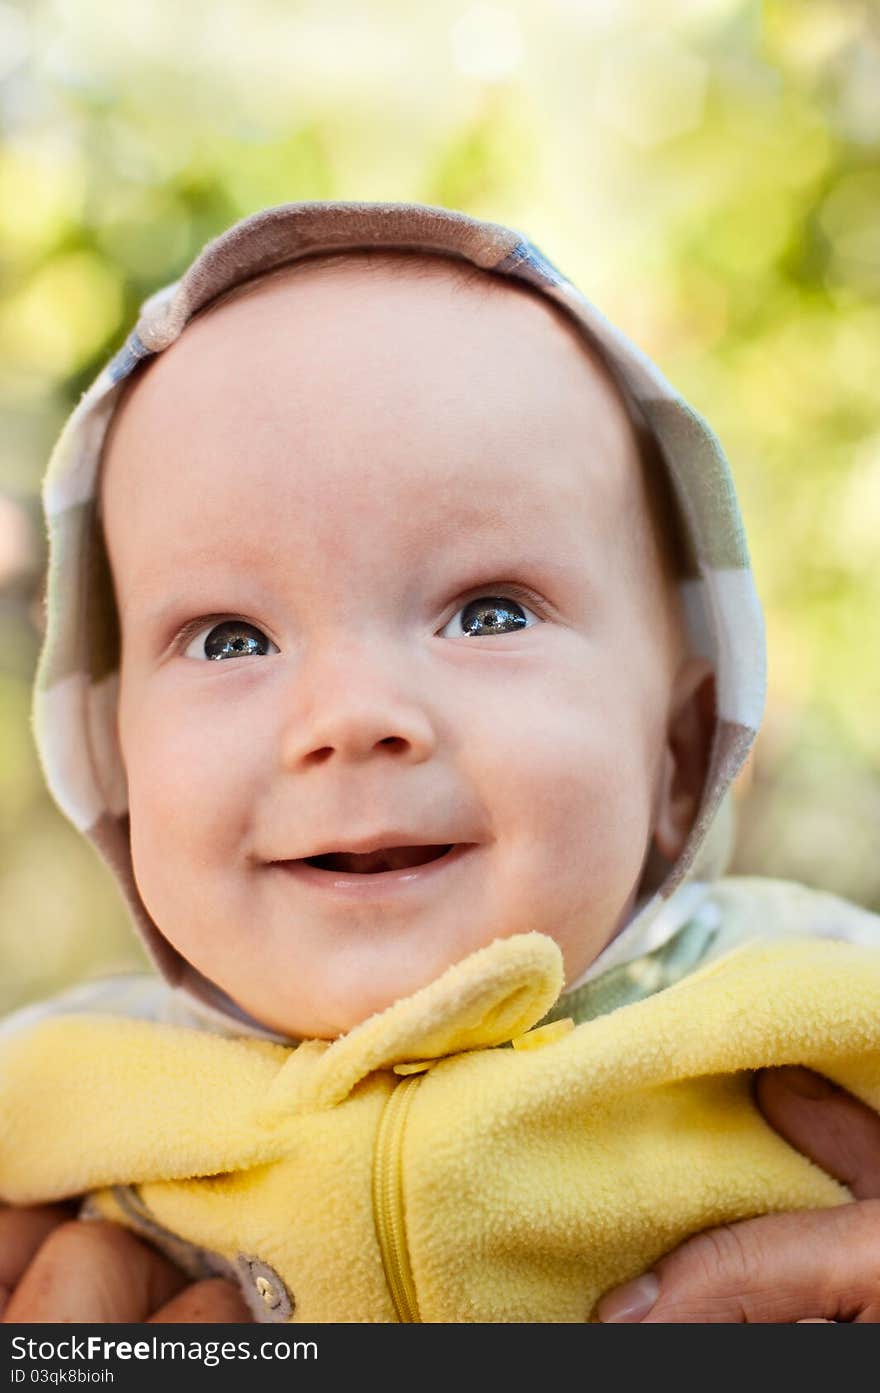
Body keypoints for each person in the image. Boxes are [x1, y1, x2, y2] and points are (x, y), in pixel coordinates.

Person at [1, 200, 878, 1323]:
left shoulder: (801, 999)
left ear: (672, 754)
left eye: (488, 613)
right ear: (113, 766)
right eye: (231, 638)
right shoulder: (64, 1085)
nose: (353, 717)